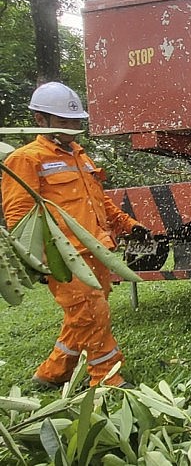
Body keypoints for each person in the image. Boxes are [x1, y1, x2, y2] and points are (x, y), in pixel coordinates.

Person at [1, 82, 152, 389]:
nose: (71, 128)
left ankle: (54, 372)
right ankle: (107, 378)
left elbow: (101, 201)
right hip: (64, 256)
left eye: (74, 121)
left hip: (96, 250)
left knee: (82, 315)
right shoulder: (25, 159)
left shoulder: (80, 157)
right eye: (63, 121)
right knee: (92, 315)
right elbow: (20, 216)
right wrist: (37, 260)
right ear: (39, 120)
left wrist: (128, 225)